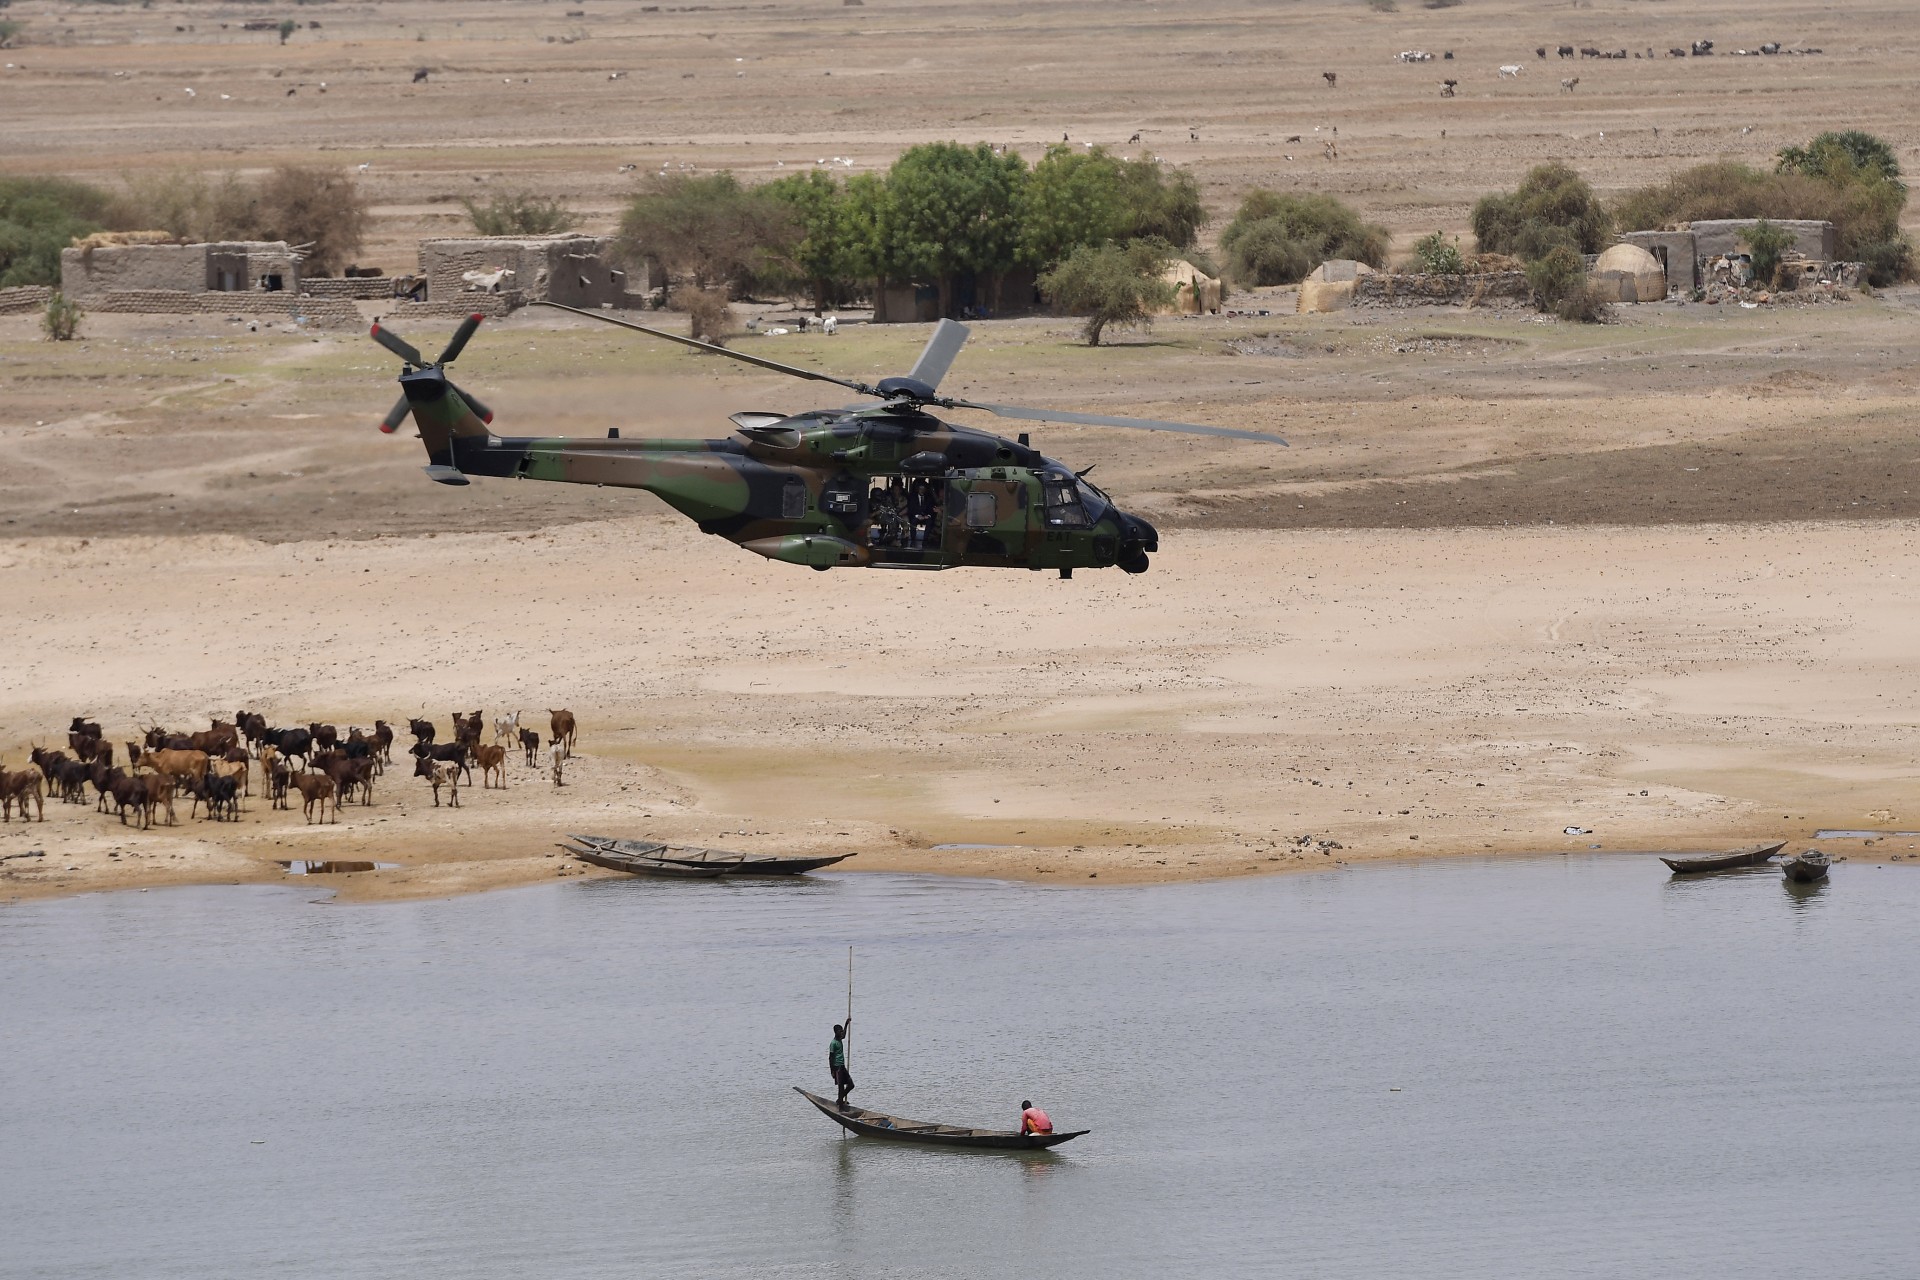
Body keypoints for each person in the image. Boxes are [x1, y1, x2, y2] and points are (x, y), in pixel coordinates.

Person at [830, 1019, 854, 1107]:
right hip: (837, 1067)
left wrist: (846, 1024)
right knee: (841, 1087)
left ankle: (840, 1100)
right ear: (836, 1032)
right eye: (840, 1032)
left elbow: (844, 1036)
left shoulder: (840, 1039)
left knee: (851, 1085)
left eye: (842, 1031)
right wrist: (832, 1071)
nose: (841, 1033)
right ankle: (840, 1103)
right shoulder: (833, 1043)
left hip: (842, 1066)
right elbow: (830, 1058)